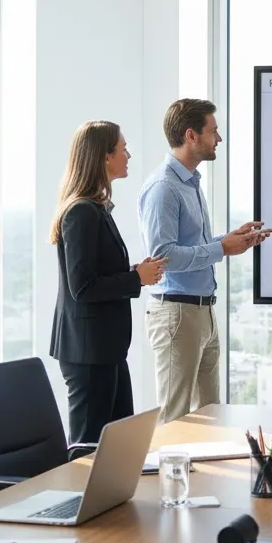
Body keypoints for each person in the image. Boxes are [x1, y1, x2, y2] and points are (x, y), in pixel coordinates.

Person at [139, 99, 272, 423]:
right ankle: (170, 476)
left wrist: (229, 240)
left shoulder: (191, 184)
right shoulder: (164, 188)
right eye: (214, 131)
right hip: (177, 314)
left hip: (202, 313)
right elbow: (164, 257)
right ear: (191, 136)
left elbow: (192, 246)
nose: (220, 139)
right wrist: (222, 249)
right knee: (174, 419)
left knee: (209, 416)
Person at [50, 120, 167, 445]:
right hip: (89, 352)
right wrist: (135, 279)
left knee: (118, 446)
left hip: (106, 349)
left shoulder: (96, 209)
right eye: (122, 148)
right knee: (89, 450)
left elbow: (95, 272)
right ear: (103, 157)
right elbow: (83, 287)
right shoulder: (81, 213)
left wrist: (134, 272)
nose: (128, 154)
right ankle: (79, 500)